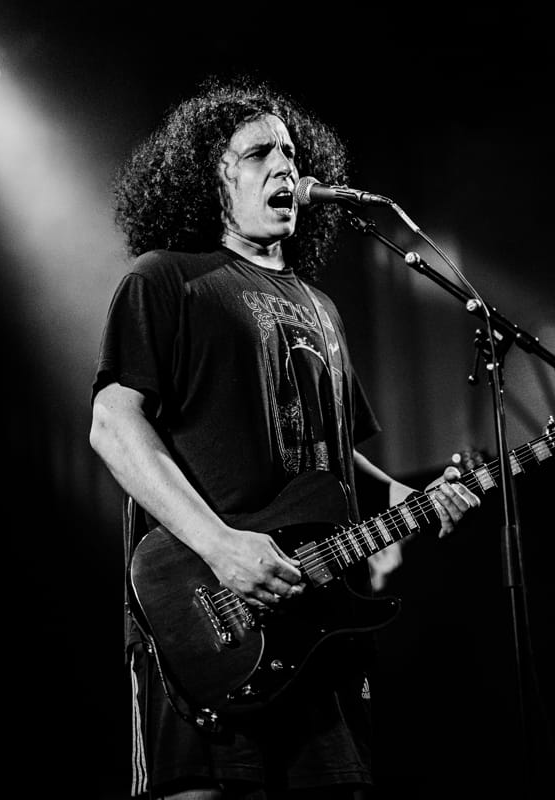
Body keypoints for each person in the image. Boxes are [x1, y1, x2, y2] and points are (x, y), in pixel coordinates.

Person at [89, 74, 479, 800]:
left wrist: (405, 498)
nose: (286, 169)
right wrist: (220, 546)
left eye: (293, 155)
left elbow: (329, 456)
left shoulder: (321, 308)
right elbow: (114, 423)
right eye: (259, 154)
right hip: (206, 614)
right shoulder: (167, 280)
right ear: (210, 177)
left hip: (314, 626)